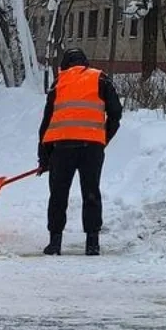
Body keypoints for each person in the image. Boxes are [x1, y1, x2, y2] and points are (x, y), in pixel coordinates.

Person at [36, 48, 123, 256]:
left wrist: (44, 157)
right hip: (92, 148)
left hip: (61, 148)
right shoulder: (101, 79)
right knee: (91, 192)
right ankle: (92, 243)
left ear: (65, 65)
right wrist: (102, 138)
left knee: (58, 194)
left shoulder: (58, 83)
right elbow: (116, 114)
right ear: (86, 63)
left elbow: (46, 123)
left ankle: (55, 243)